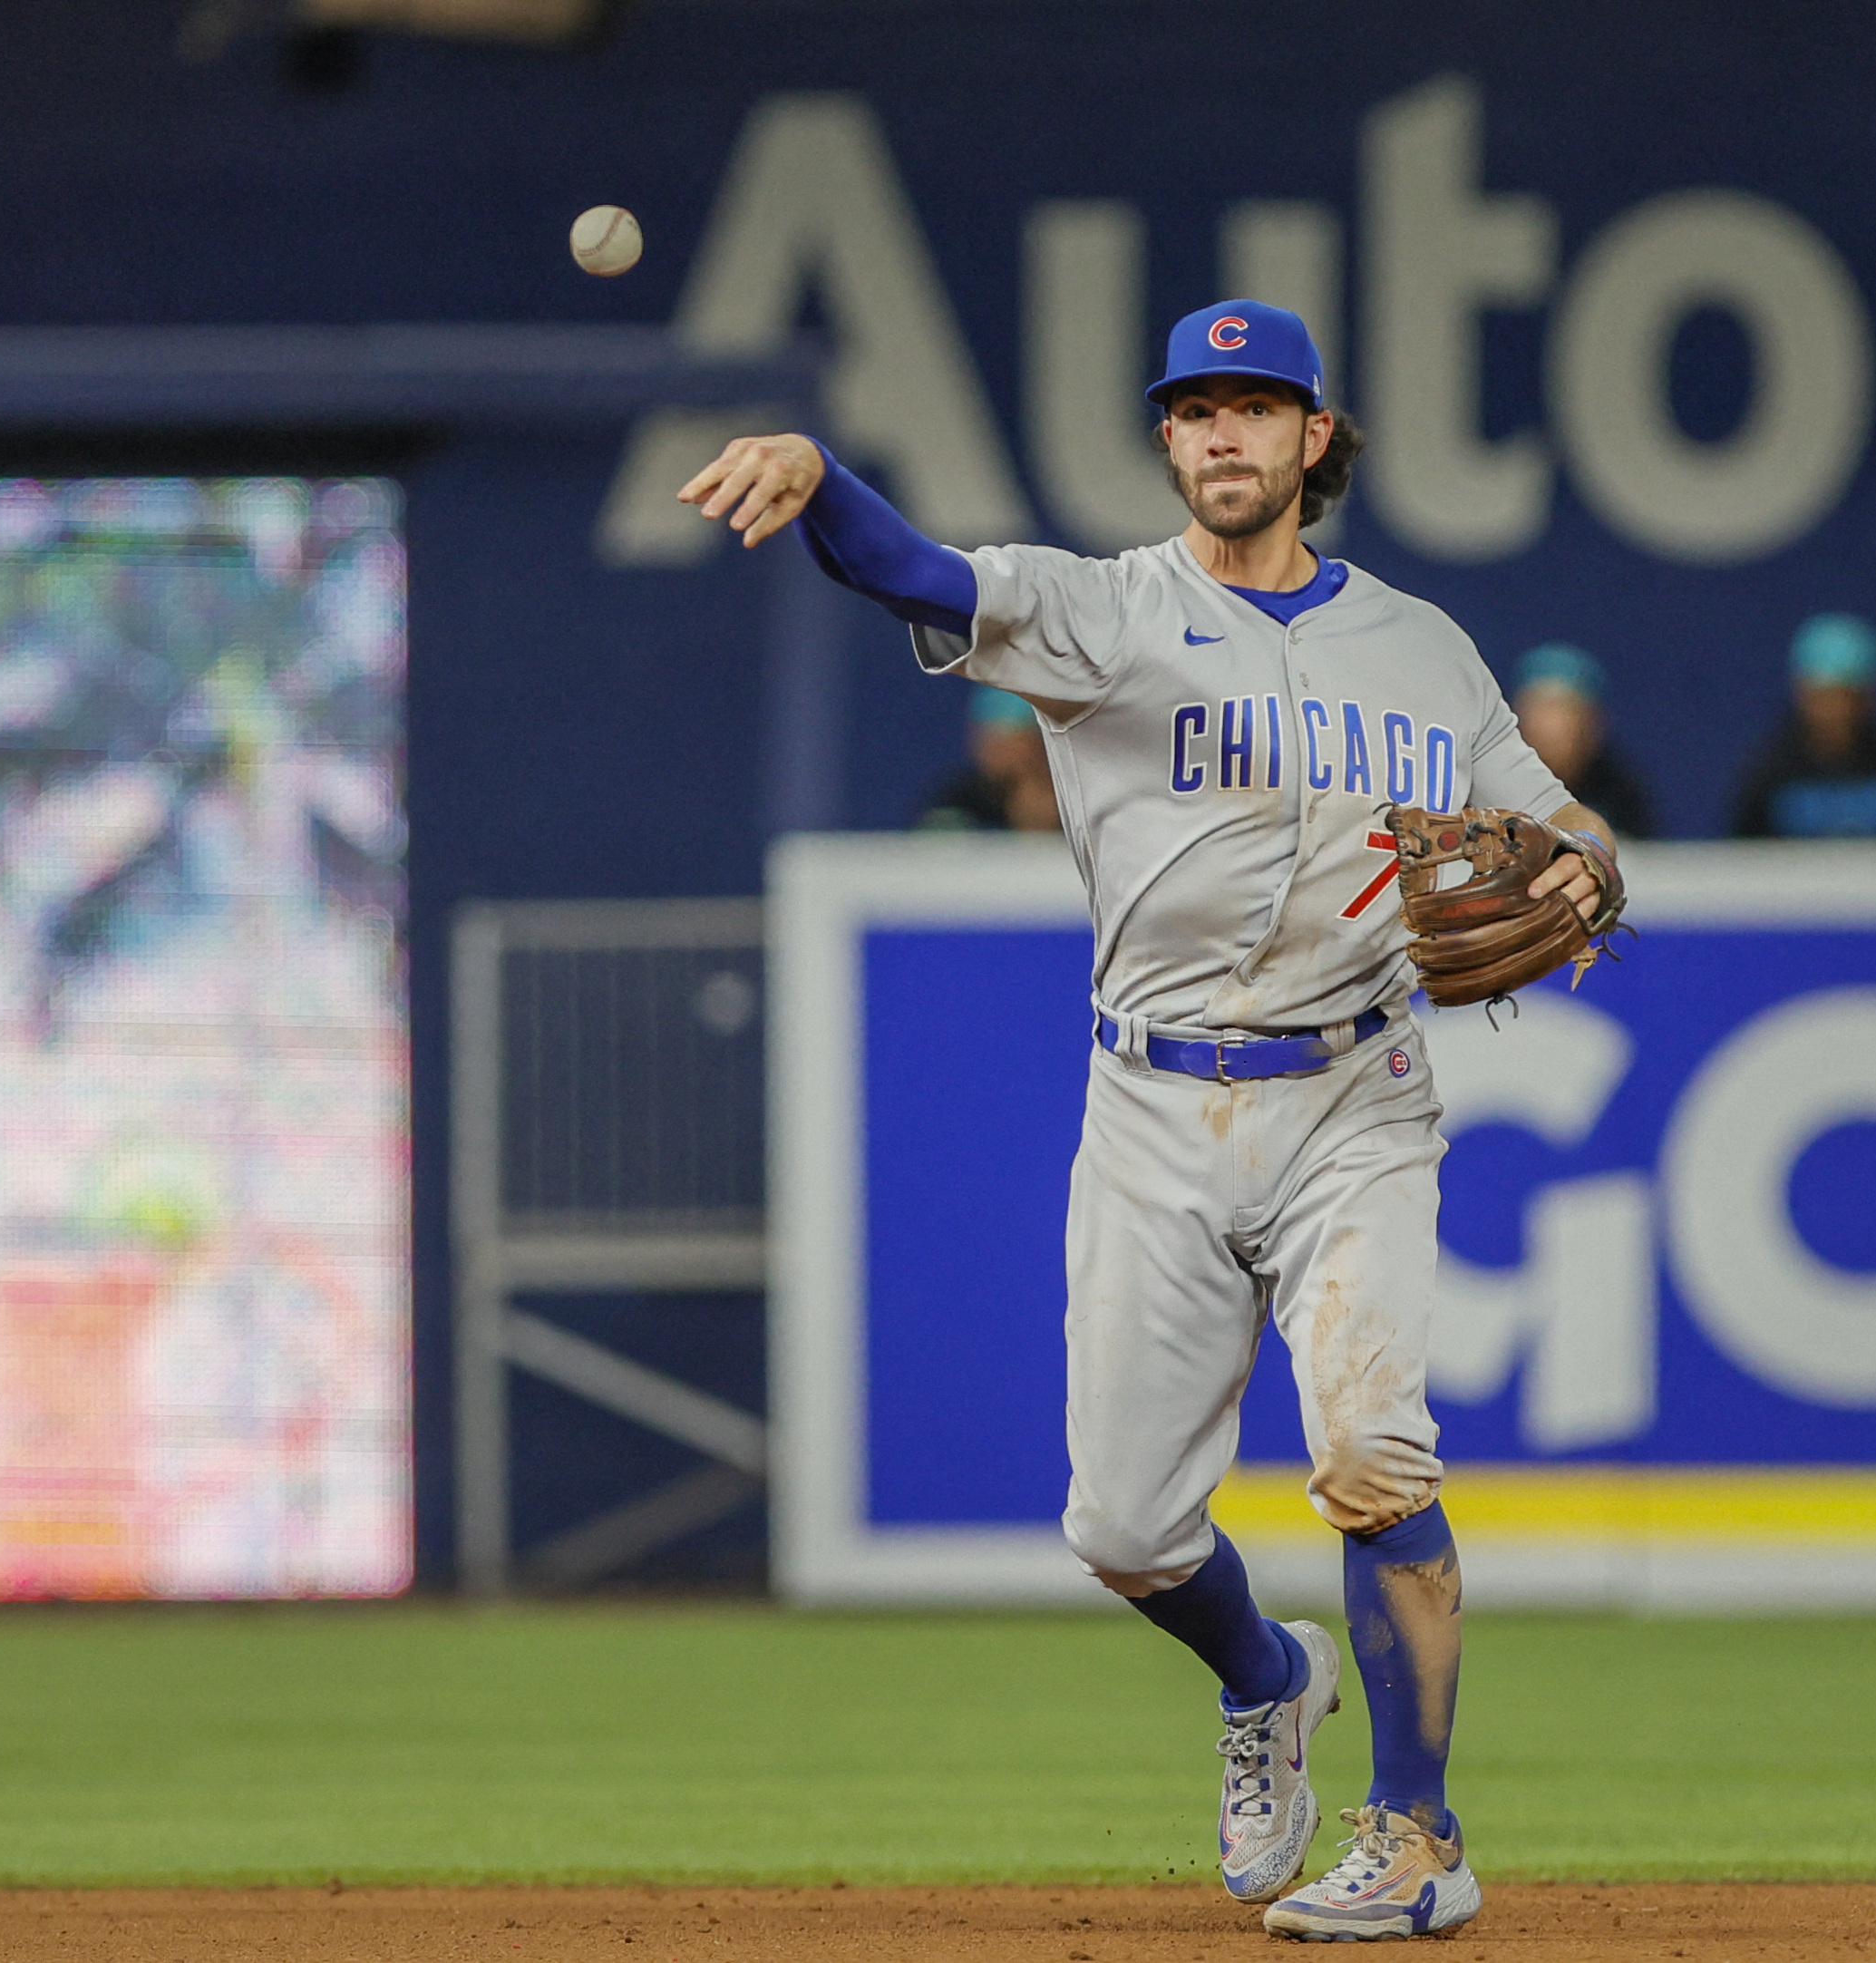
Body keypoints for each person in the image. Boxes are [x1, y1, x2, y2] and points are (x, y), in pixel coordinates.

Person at [680, 299, 1616, 1942]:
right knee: (1121, 1528)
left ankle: (1418, 1836)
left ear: (1316, 439)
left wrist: (1587, 866)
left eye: (1256, 408)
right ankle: (1266, 1684)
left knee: (1366, 1447)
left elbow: (1554, 823)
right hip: (1153, 1105)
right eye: (1194, 412)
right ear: (1168, 441)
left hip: (1357, 1094)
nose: (1223, 436)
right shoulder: (1102, 610)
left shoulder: (1423, 647)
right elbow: (918, 574)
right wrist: (821, 474)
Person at [1728, 613, 1876, 839]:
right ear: (1802, 694)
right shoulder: (1769, 772)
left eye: (1850, 696)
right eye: (1825, 696)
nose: (1838, 710)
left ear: (1871, 697)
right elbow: (1745, 856)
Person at [1510, 642, 1655, 839]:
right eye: (1538, 709)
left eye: (1562, 709)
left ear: (1590, 721)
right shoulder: (1490, 782)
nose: (1548, 726)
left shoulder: (1619, 794)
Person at [919, 684, 1060, 832]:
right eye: (987, 736)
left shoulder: (1074, 796)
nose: (993, 750)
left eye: (1006, 736)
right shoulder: (959, 802)